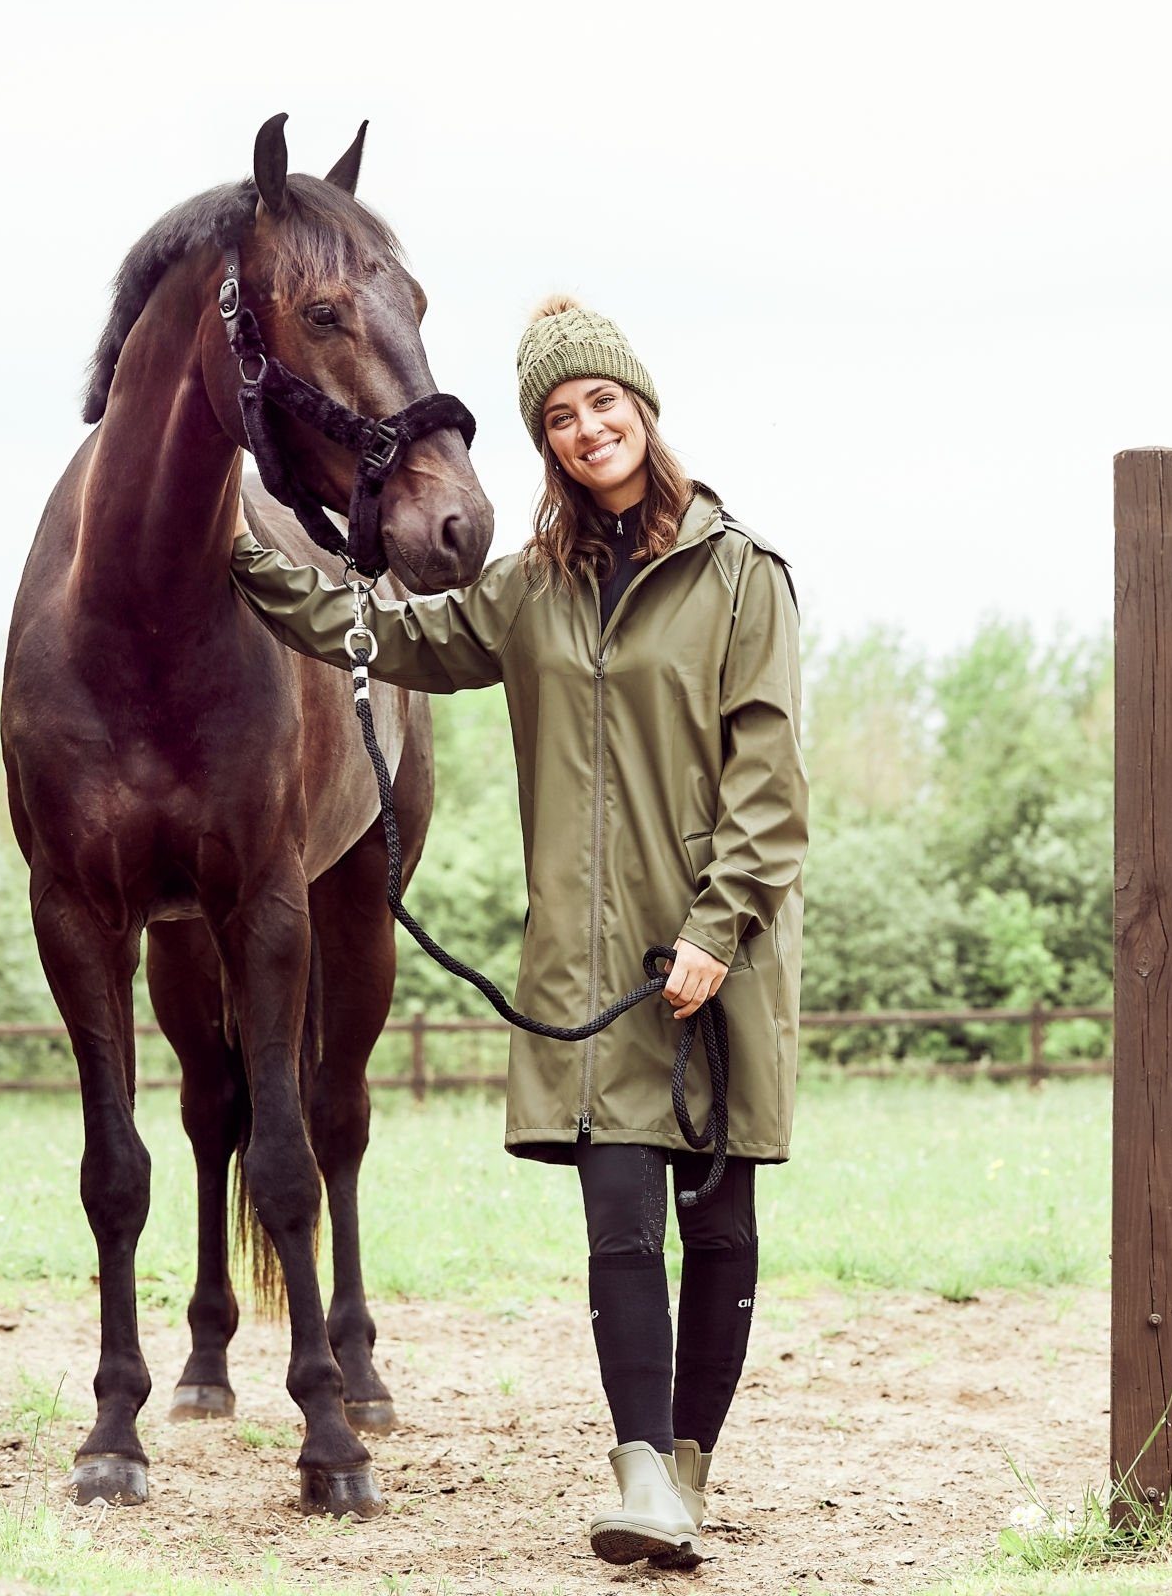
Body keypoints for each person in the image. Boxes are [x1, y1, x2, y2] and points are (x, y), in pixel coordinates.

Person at [228, 298, 808, 1567]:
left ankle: (691, 1461)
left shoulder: (742, 577)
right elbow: (379, 632)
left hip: (722, 952)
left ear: (641, 411)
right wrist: (246, 555)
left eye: (601, 403)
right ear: (548, 448)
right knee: (617, 1222)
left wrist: (715, 929)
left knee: (716, 1227)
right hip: (589, 971)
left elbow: (768, 787)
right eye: (560, 417)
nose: (586, 427)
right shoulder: (530, 595)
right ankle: (642, 1469)